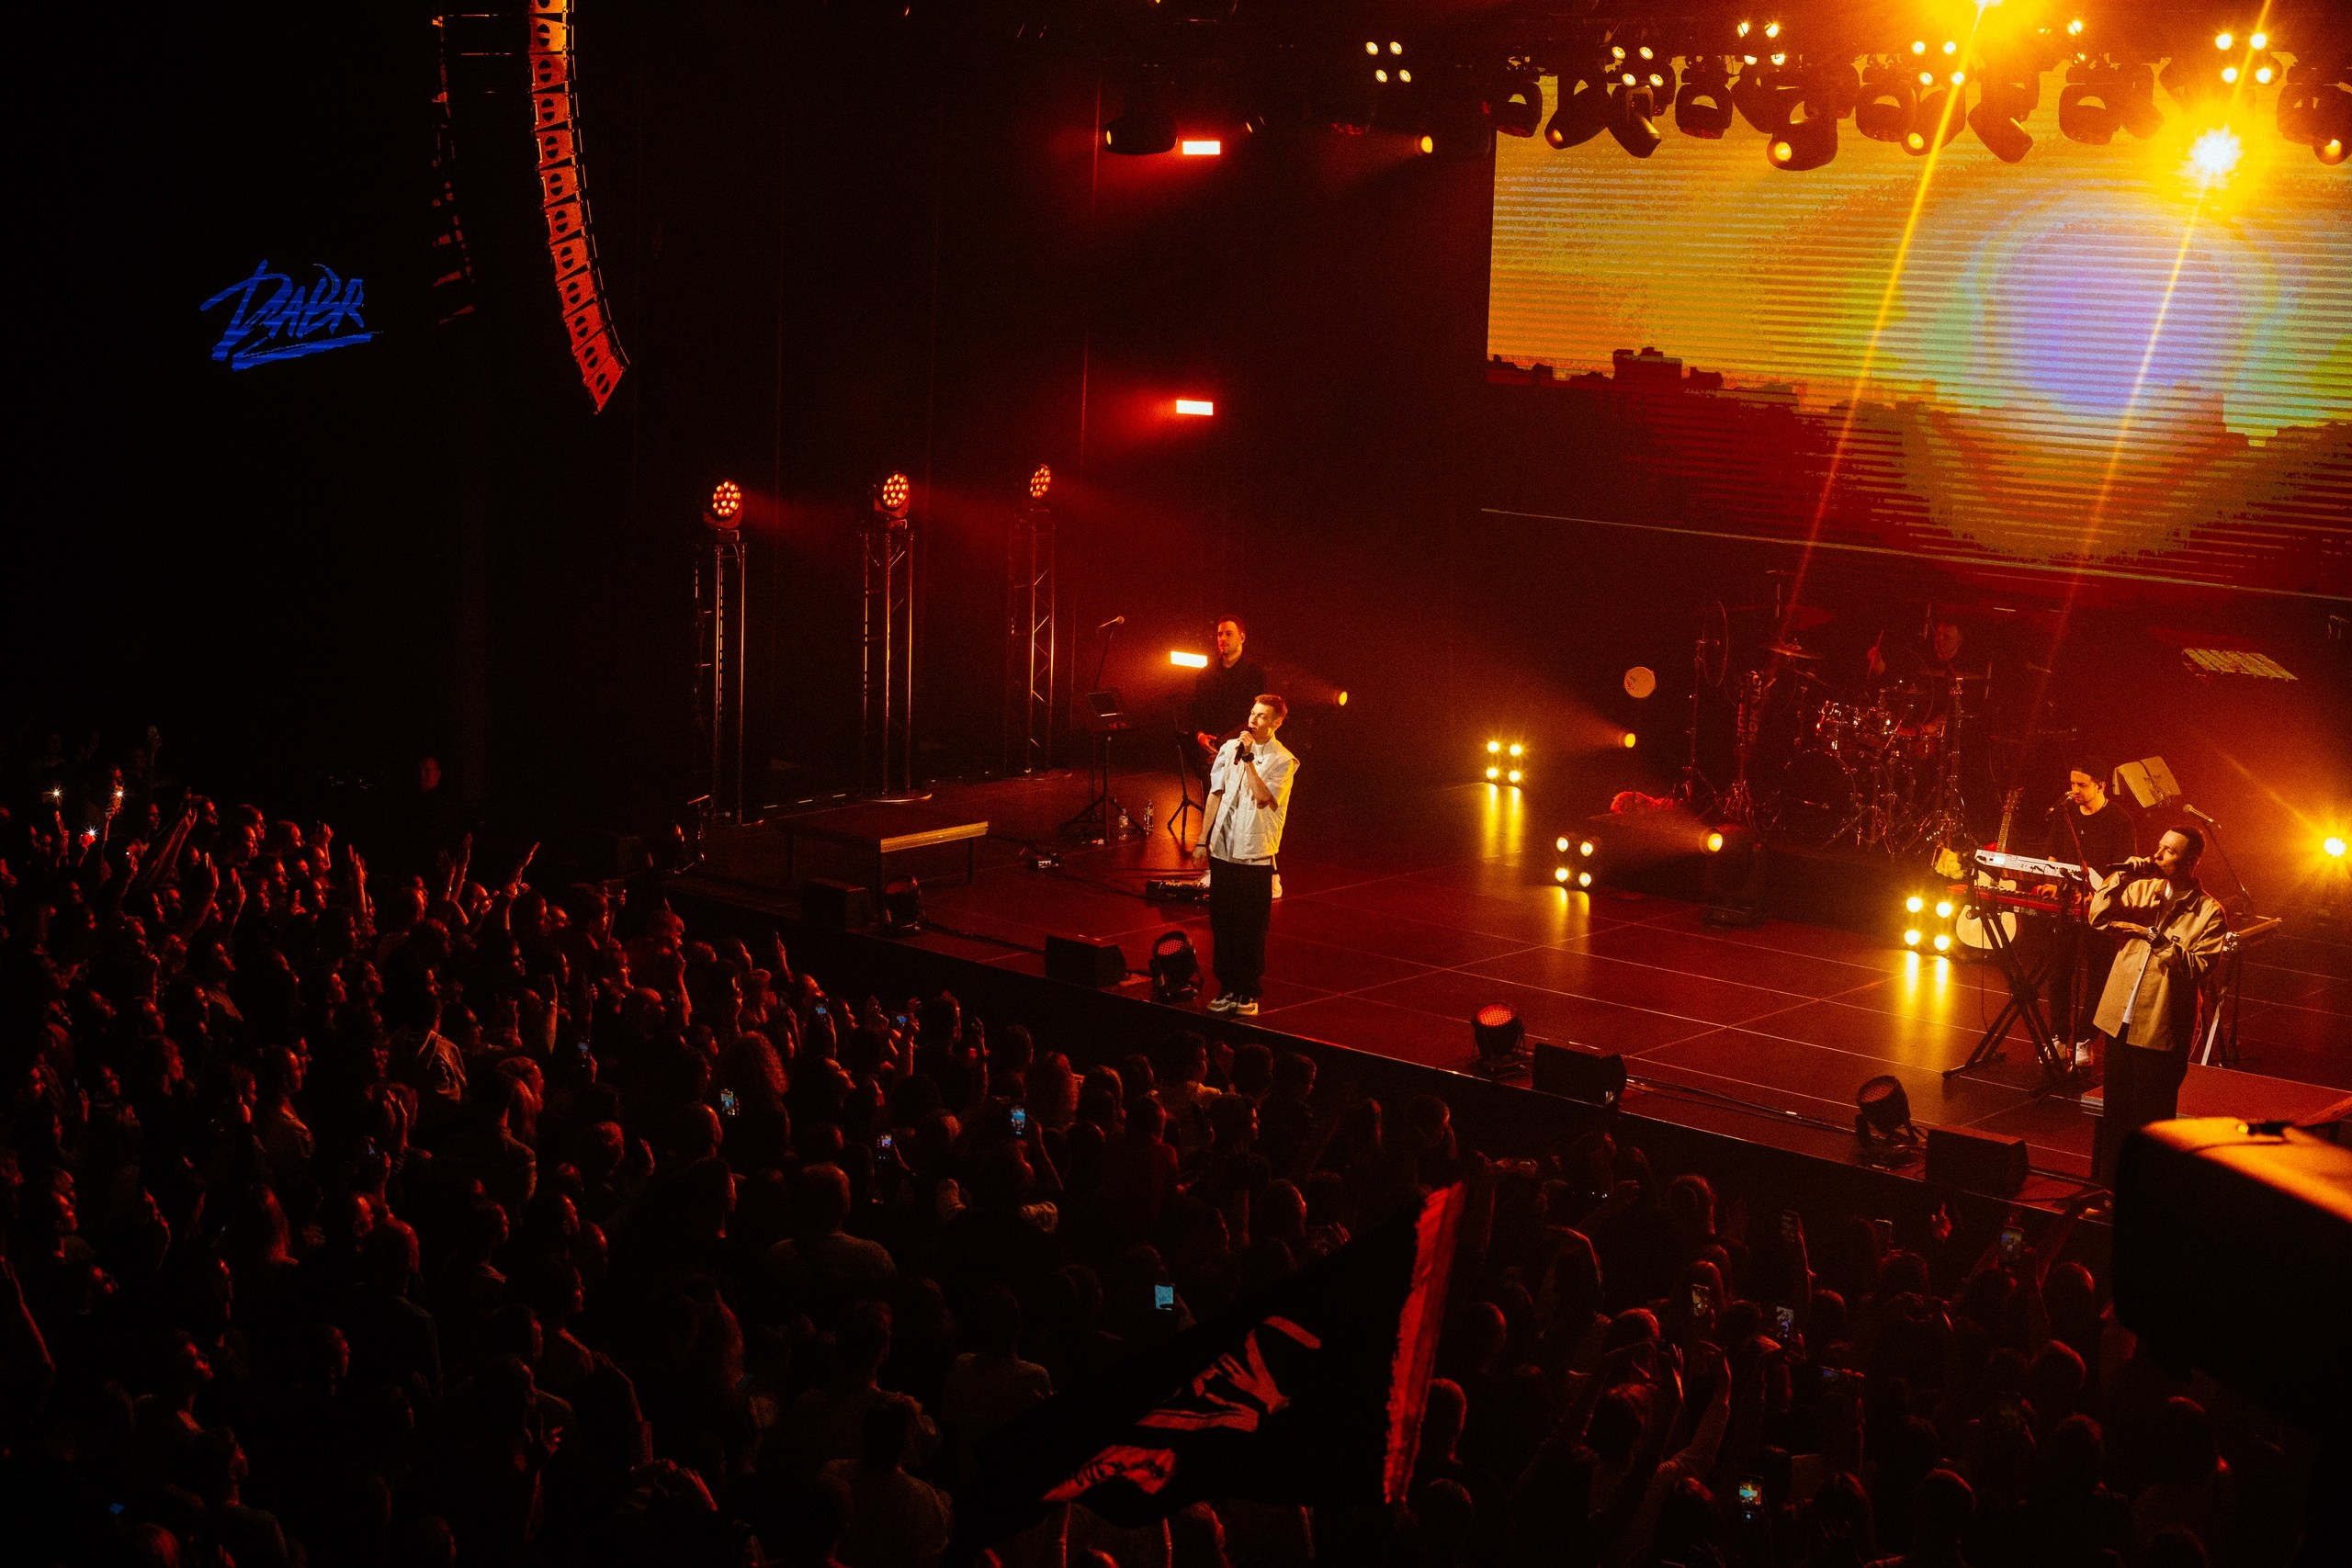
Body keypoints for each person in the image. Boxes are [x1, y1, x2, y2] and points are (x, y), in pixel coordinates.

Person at [2086, 828, 2231, 1180]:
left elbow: (2199, 966)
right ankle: (2108, 1192)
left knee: (2151, 1125)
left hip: (2160, 1029)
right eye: (2159, 846)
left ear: (2192, 862)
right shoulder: (2141, 891)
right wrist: (2121, 875)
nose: (2158, 855)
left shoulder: (2208, 912)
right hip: (2120, 1018)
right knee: (2115, 1115)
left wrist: (2154, 936)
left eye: (2170, 850)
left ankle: (2148, 1199)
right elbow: (2098, 918)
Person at [1193, 696, 1297, 1017]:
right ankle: (1226, 987)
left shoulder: (1283, 760)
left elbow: (1264, 797)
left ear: (1276, 722)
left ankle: (1248, 991)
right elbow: (1216, 794)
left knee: (1250, 928)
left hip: (1254, 854)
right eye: (1252, 713)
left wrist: (1250, 760)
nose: (1253, 720)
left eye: (1262, 716)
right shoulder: (1228, 749)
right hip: (1224, 849)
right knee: (1222, 923)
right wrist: (1201, 840)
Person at [2041, 760, 2136, 1070]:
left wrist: (2099, 895)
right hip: (2068, 907)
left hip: (2101, 911)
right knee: (2059, 973)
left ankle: (2084, 1039)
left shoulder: (2119, 820)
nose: (2075, 790)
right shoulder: (2064, 813)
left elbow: (2122, 871)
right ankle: (2058, 1036)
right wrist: (2052, 885)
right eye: (2072, 783)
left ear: (2100, 785)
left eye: (2082, 785)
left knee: (2098, 976)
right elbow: (2054, 857)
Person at [1187, 616, 1280, 899]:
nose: (1222, 638)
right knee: (1215, 807)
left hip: (1244, 747)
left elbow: (1257, 713)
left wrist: (1230, 741)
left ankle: (1272, 874)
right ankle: (1216, 868)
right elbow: (1195, 712)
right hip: (1214, 751)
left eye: (1228, 633)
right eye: (1218, 634)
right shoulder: (1206, 674)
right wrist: (1202, 736)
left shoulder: (1253, 672)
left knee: (1253, 815)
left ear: (1242, 637)